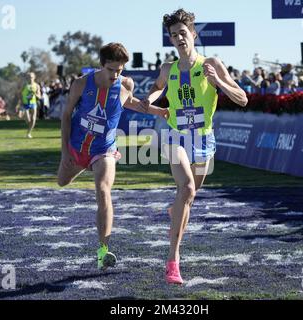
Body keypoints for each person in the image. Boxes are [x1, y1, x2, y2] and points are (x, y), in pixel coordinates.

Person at [141, 8, 248, 285]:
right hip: (176, 136)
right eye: (173, 35)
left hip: (204, 140)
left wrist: (219, 81)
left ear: (194, 35)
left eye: (183, 33)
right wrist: (150, 99)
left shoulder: (211, 63)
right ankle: (173, 262)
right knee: (187, 188)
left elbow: (243, 99)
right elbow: (156, 87)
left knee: (188, 197)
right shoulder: (168, 68)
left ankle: (175, 211)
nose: (179, 38)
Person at [57, 42, 168, 271]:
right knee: (62, 181)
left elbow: (131, 103)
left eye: (120, 69)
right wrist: (65, 151)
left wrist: (160, 111)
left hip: (104, 149)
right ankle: (80, 166)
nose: (116, 74)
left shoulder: (126, 83)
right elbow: (66, 116)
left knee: (103, 190)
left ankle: (102, 250)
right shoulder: (81, 84)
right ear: (101, 65)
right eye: (111, 70)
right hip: (78, 147)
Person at [21, 72, 41, 138]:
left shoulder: (37, 86)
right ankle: (28, 130)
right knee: (28, 120)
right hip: (25, 104)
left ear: (34, 78)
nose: (30, 79)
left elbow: (40, 96)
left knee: (33, 119)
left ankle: (28, 133)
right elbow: (20, 94)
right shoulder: (24, 85)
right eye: (29, 77)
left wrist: (35, 94)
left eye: (31, 77)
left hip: (33, 103)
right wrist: (20, 102)